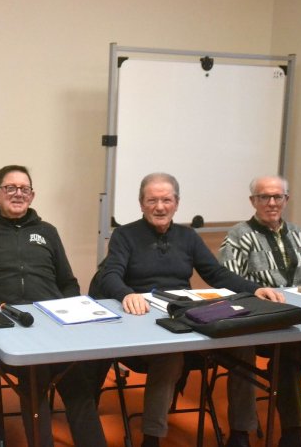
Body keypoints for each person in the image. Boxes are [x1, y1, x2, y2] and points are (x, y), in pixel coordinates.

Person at [98, 172, 282, 447]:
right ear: (141, 203)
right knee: (170, 356)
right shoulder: (125, 235)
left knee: (243, 347)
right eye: (152, 200)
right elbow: (110, 275)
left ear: (177, 203)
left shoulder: (188, 236)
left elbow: (216, 273)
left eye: (166, 200)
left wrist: (254, 289)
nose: (160, 207)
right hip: (145, 322)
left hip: (186, 316)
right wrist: (127, 294)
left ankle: (241, 433)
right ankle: (152, 437)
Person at [0, 164, 108, 447]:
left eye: (24, 189)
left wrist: (70, 311)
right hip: (5, 329)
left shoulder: (48, 232)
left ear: (32, 195)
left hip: (53, 325)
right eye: (10, 188)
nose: (18, 194)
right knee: (36, 376)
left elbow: (68, 282)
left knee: (78, 381)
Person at [218, 175, 301, 447]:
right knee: (257, 352)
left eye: (278, 196)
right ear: (253, 201)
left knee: (294, 351)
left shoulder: (298, 234)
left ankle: (291, 432)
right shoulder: (238, 236)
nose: (272, 202)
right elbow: (231, 285)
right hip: (259, 320)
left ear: (286, 200)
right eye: (264, 197)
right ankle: (243, 432)